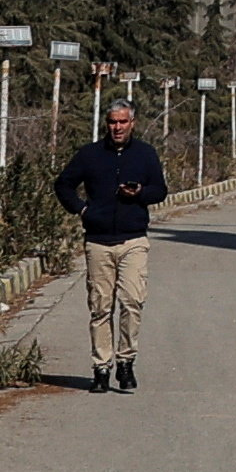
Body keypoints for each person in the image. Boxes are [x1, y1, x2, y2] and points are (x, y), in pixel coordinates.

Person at [50, 101, 173, 390]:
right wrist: (82, 210)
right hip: (98, 241)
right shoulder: (90, 154)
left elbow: (161, 190)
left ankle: (126, 361)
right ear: (106, 124)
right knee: (100, 307)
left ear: (133, 122)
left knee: (132, 302)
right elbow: (63, 185)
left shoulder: (145, 154)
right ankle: (101, 369)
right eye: (112, 122)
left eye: (122, 122)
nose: (117, 127)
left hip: (133, 240)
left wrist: (140, 192)